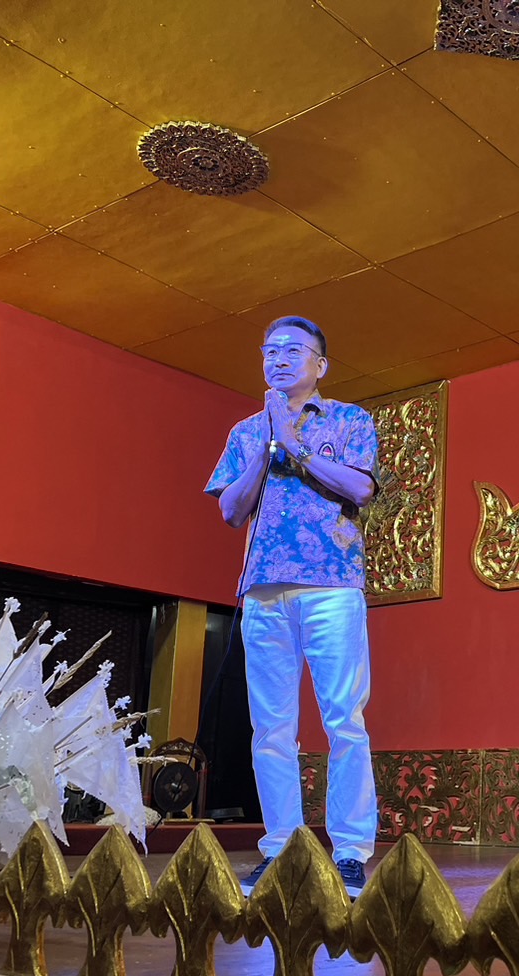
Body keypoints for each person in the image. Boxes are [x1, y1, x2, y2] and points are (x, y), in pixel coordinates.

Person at [204, 316, 379, 897]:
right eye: (269, 351)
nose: (277, 359)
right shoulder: (245, 430)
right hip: (262, 590)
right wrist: (266, 446)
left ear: (320, 364)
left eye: (292, 350)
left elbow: (360, 489)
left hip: (332, 585)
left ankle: (349, 852)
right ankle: (281, 848)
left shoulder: (350, 420)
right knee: (271, 726)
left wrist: (295, 445)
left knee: (344, 719)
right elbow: (231, 511)